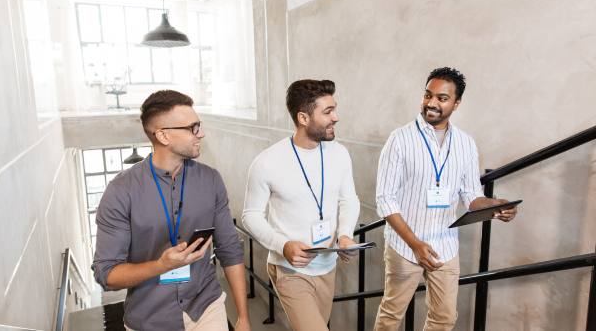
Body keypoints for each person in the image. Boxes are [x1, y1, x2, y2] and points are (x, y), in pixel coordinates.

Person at [92, 90, 251, 331]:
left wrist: (243, 318)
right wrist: (161, 266)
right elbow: (107, 274)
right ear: (163, 136)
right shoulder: (120, 191)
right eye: (192, 128)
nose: (202, 133)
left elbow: (229, 249)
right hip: (150, 318)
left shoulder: (211, 180)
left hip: (206, 306)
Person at [373, 68, 518, 331]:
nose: (431, 103)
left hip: (445, 246)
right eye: (427, 95)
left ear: (456, 103)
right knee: (392, 316)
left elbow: (472, 196)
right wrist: (415, 244)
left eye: (441, 98)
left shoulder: (466, 143)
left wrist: (495, 206)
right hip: (405, 246)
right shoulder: (400, 139)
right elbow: (385, 199)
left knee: (444, 319)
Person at [242, 79, 360, 331]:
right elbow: (250, 216)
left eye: (334, 109)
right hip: (289, 270)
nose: (336, 117)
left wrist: (345, 235)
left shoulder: (339, 153)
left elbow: (348, 199)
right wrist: (282, 245)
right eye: (327, 112)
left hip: (328, 266)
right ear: (303, 118)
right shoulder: (267, 162)